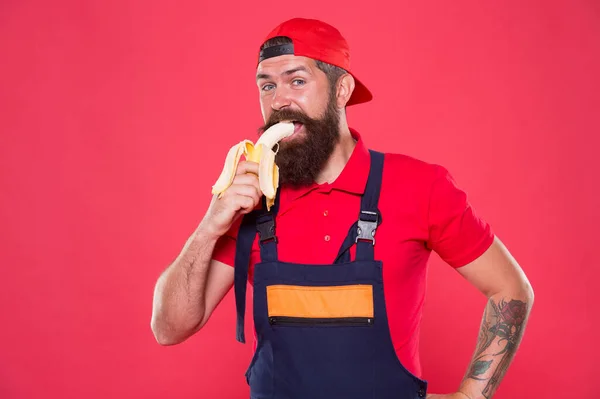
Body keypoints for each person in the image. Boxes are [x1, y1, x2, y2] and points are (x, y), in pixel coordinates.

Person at [151, 17, 534, 399]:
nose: (278, 100)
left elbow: (510, 288)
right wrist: (211, 224)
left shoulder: (420, 186)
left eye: (296, 81)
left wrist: (470, 397)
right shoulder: (249, 201)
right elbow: (169, 329)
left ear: (342, 90)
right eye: (267, 85)